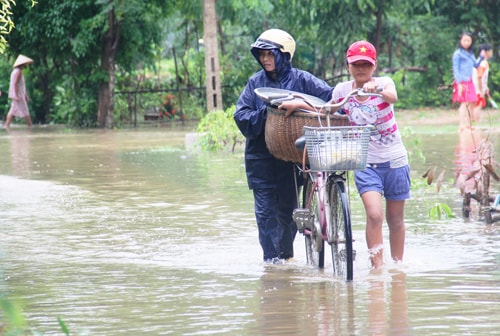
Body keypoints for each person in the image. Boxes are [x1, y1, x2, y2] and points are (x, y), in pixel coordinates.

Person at [233, 29, 333, 264]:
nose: (265, 59)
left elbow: (330, 98)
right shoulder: (255, 83)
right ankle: (271, 262)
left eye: (270, 54)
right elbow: (241, 116)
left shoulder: (302, 80)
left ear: (284, 55)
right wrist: (268, 114)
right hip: (260, 158)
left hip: (291, 158)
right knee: (266, 213)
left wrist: (302, 106)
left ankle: (286, 258)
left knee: (289, 211)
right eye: (261, 54)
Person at [330, 41, 410, 269]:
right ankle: (377, 269)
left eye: (366, 64)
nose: (361, 69)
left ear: (374, 66)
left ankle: (397, 269)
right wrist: (302, 106)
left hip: (395, 161)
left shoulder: (384, 83)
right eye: (356, 64)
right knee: (374, 215)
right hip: (366, 163)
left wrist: (378, 91)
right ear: (348, 66)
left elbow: (393, 97)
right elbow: (329, 109)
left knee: (395, 220)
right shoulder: (343, 90)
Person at [451, 33, 484, 132]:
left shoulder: (470, 54)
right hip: (461, 81)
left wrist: (482, 57)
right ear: (460, 41)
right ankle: (462, 125)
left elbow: (476, 65)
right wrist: (459, 83)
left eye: (468, 40)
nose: (466, 42)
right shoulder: (457, 54)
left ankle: (468, 124)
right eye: (464, 40)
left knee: (472, 101)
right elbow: (455, 69)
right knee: (464, 103)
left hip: (469, 80)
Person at [5, 54, 34, 129]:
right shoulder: (18, 72)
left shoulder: (15, 71)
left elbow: (20, 85)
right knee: (25, 111)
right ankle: (30, 126)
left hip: (19, 94)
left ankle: (7, 125)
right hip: (18, 95)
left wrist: (25, 95)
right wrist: (15, 95)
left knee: (12, 111)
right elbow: (15, 84)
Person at [472, 43, 492, 122]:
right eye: (490, 51)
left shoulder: (479, 61)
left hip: (477, 87)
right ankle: (475, 121)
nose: (491, 53)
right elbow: (479, 76)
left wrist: (485, 86)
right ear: (486, 52)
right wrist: (481, 90)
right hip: (477, 88)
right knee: (478, 104)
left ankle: (474, 121)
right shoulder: (483, 63)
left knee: (476, 104)